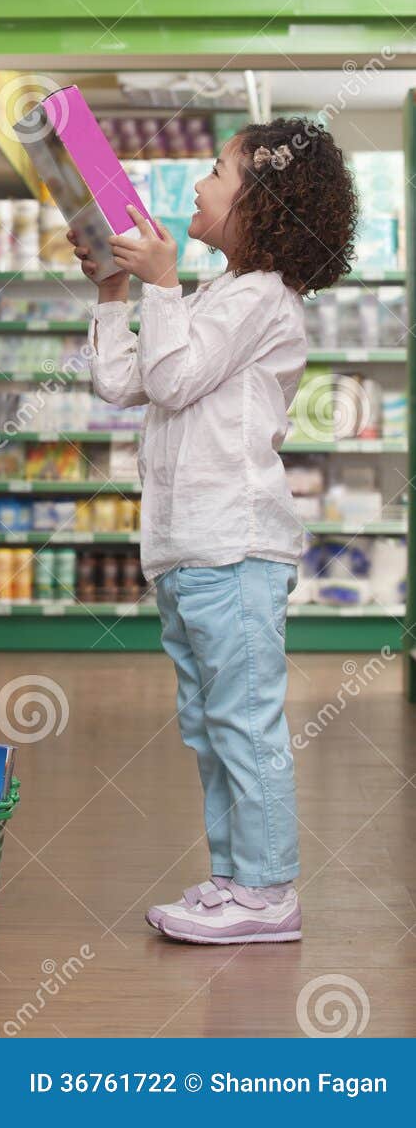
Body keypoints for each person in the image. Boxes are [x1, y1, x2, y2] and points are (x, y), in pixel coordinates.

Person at [71, 120, 358, 944]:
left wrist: (159, 285)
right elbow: (122, 383)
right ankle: (235, 878)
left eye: (215, 171)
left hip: (233, 547)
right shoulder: (213, 296)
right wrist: (113, 293)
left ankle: (267, 894)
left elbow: (171, 376)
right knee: (209, 724)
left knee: (242, 722)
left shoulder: (261, 299)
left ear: (261, 204)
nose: (196, 185)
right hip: (187, 551)